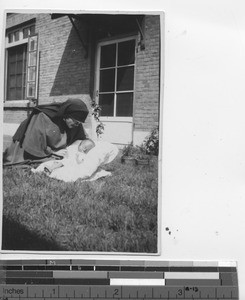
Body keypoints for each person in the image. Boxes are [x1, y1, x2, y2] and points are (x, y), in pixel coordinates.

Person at [3, 98, 89, 165]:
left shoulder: (75, 123)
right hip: (25, 146)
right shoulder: (43, 116)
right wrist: (53, 152)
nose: (77, 125)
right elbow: (34, 143)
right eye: (76, 121)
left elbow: (83, 138)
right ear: (67, 115)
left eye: (79, 123)